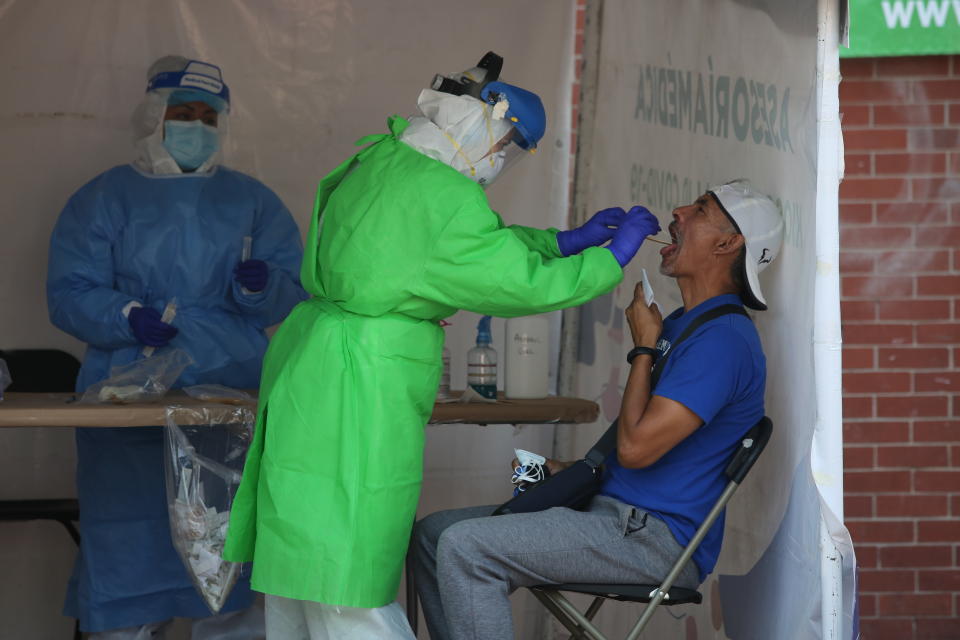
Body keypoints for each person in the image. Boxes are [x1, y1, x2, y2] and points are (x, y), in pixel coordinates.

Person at [222, 55, 660, 639]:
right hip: (361, 381)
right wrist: (605, 259)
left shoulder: (383, 156)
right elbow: (510, 278)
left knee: (301, 569)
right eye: (507, 144)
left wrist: (558, 242)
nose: (501, 160)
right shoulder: (443, 196)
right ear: (487, 123)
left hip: (315, 368)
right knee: (348, 577)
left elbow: (457, 247)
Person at [411, 180, 784, 640]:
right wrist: (570, 469)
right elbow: (631, 453)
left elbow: (635, 450)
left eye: (701, 209)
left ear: (728, 243)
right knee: (432, 536)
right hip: (610, 513)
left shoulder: (723, 341)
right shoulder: (686, 323)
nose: (680, 211)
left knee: (466, 548)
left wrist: (643, 349)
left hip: (653, 540)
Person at [46, 55, 308, 638]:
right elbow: (67, 292)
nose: (196, 126)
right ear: (153, 117)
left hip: (230, 389)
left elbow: (290, 293)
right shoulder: (103, 199)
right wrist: (125, 315)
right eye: (182, 113)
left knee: (229, 547)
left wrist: (257, 291)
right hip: (126, 391)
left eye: (208, 117)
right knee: (128, 540)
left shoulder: (252, 203)